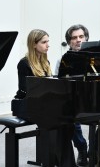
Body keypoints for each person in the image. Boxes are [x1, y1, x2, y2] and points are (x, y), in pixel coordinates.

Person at [14, 29, 76, 167]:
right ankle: (59, 162)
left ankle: (63, 162)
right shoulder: (24, 63)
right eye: (44, 42)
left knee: (67, 121)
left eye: (48, 41)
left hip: (44, 104)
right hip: (27, 105)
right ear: (34, 44)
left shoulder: (45, 61)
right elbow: (25, 90)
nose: (48, 45)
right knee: (57, 120)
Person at [55, 24, 89, 166]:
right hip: (72, 99)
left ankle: (97, 150)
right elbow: (58, 84)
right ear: (69, 42)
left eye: (81, 37)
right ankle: (82, 149)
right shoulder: (62, 60)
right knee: (70, 115)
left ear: (86, 38)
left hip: (94, 96)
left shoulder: (98, 58)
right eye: (74, 38)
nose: (78, 40)